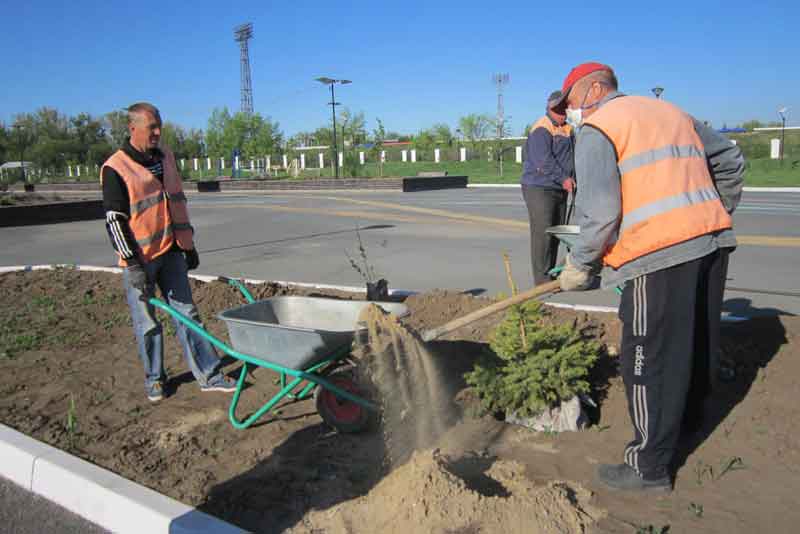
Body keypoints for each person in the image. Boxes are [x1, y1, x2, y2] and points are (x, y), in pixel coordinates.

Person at [552, 63, 744, 491]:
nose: (571, 114)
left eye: (573, 103)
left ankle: (648, 467)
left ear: (596, 89)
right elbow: (731, 159)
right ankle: (688, 426)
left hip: (655, 256)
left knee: (646, 357)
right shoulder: (673, 113)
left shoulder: (600, 128)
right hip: (711, 243)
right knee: (694, 343)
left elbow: (600, 213)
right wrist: (713, 213)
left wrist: (580, 264)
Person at [101, 102, 236, 402]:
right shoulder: (115, 168)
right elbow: (115, 220)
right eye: (152, 127)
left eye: (159, 125)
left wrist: (188, 245)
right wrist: (133, 264)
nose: (158, 133)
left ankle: (209, 374)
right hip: (141, 259)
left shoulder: (166, 158)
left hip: (173, 251)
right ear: (132, 128)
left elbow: (176, 202)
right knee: (147, 322)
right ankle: (155, 379)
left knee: (187, 314)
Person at [521, 90, 576, 285]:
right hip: (539, 187)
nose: (562, 111)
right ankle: (541, 281)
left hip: (559, 188)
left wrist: (575, 178)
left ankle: (550, 273)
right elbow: (543, 161)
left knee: (556, 232)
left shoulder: (569, 130)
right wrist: (564, 179)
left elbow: (573, 159)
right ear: (549, 108)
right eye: (557, 108)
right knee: (543, 234)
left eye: (564, 107)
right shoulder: (542, 129)